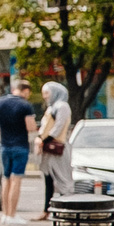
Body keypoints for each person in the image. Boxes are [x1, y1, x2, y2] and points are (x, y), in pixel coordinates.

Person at [0, 80, 36, 221]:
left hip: (4, 145)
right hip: (20, 145)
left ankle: (5, 214)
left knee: (5, 179)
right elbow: (31, 127)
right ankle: (12, 214)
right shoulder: (25, 105)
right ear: (25, 91)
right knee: (16, 180)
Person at [37, 80, 74, 212]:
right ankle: (47, 209)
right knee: (48, 178)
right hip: (48, 148)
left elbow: (59, 126)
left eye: (47, 92)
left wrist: (45, 140)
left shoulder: (62, 106)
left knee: (62, 178)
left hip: (57, 148)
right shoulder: (51, 107)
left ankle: (68, 209)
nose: (45, 96)